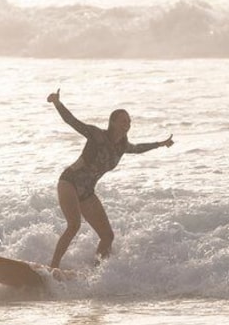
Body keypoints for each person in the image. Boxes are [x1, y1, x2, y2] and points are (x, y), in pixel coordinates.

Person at [47, 89, 173, 269]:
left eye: (129, 121)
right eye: (123, 121)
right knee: (74, 225)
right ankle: (53, 268)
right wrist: (57, 103)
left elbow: (138, 148)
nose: (127, 124)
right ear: (112, 122)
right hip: (69, 182)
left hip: (87, 192)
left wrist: (160, 144)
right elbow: (72, 122)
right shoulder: (97, 135)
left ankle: (96, 272)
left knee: (108, 236)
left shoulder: (121, 146)